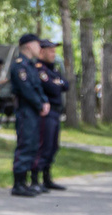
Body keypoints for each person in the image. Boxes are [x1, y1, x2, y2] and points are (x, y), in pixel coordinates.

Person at [9, 33, 49, 197]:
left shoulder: (32, 66)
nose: (39, 47)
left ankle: (26, 182)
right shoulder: (19, 66)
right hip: (26, 110)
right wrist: (40, 104)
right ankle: (18, 184)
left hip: (34, 110)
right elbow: (26, 90)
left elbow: (38, 88)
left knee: (33, 145)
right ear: (27, 45)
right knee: (25, 145)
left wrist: (44, 101)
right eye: (36, 44)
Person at [33, 39, 68, 191]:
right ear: (42, 51)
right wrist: (57, 83)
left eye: (54, 51)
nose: (54, 54)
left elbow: (66, 85)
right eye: (51, 51)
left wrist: (57, 83)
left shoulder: (53, 70)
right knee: (44, 145)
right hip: (46, 113)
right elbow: (53, 88)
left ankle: (47, 178)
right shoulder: (40, 69)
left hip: (55, 112)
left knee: (53, 146)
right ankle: (35, 180)